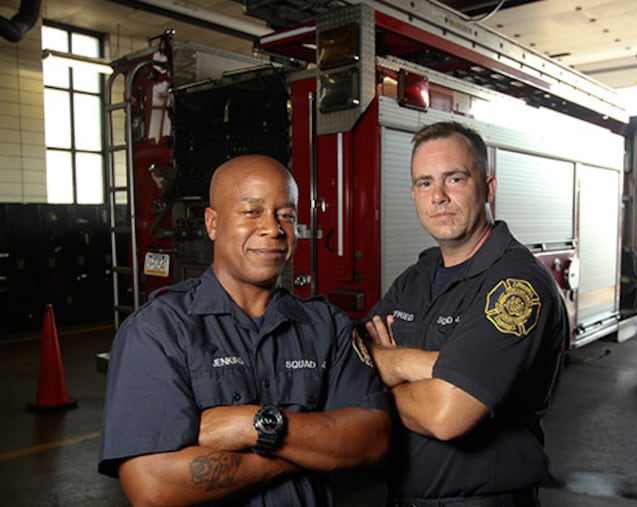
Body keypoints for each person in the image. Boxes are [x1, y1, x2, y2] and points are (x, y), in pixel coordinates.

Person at [99, 155, 391, 506]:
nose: (273, 228)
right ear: (212, 223)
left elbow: (373, 439)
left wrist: (251, 424)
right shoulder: (157, 331)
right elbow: (153, 486)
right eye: (252, 212)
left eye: (286, 214)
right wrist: (306, 448)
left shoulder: (326, 326)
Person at [362, 121, 567, 507]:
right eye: (425, 183)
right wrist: (436, 367)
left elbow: (446, 415)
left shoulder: (516, 286)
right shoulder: (416, 279)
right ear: (413, 194)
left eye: (454, 179)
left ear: (488, 188)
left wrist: (392, 361)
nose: (437, 196)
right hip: (404, 496)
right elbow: (355, 362)